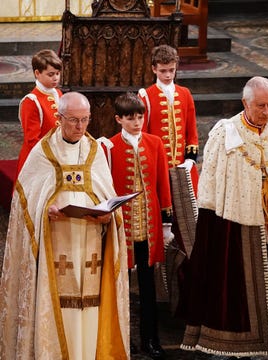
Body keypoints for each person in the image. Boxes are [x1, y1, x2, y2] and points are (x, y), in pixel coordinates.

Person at [180, 76, 268, 359]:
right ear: (245, 102)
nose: (267, 112)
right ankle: (241, 346)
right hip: (237, 229)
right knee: (241, 290)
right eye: (261, 106)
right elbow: (211, 187)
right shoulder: (224, 135)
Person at [0, 92, 130, 359]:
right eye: (73, 120)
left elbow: (107, 195)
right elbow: (26, 202)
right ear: (59, 119)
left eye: (85, 120)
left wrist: (109, 217)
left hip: (91, 245)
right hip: (56, 245)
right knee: (60, 306)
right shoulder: (43, 152)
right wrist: (44, 211)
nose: (80, 127)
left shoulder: (94, 152)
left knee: (91, 306)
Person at [99, 92, 173, 359]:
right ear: (118, 119)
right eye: (130, 118)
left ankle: (150, 340)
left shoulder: (155, 143)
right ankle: (122, 340)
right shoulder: (109, 147)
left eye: (140, 117)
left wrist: (166, 222)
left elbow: (163, 183)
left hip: (149, 228)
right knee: (120, 288)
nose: (137, 122)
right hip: (122, 230)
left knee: (148, 287)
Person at [138, 44, 199, 193]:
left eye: (172, 70)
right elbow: (143, 134)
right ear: (154, 69)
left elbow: (191, 130)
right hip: (158, 165)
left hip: (182, 165)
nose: (168, 75)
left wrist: (190, 160)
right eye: (163, 71)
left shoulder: (185, 93)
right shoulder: (145, 96)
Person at [17, 48, 63, 176]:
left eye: (58, 73)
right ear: (37, 73)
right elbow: (32, 140)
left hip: (58, 154)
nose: (55, 78)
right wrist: (50, 159)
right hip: (38, 160)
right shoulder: (31, 101)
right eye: (51, 74)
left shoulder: (58, 93)